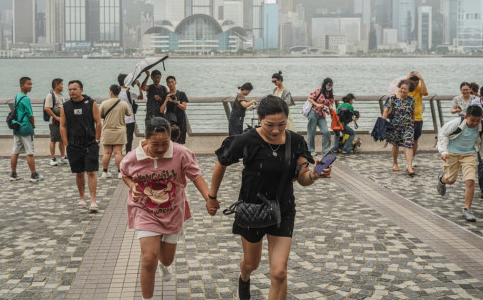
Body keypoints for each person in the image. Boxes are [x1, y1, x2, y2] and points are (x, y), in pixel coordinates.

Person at [207, 95, 331, 300]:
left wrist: (315, 175)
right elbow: (221, 162)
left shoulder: (295, 141)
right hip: (252, 209)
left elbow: (303, 177)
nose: (275, 130)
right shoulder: (247, 140)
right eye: (269, 125)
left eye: (281, 124)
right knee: (251, 263)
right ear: (259, 118)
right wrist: (212, 196)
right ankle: (244, 277)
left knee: (279, 272)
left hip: (283, 209)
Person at [120, 117, 211, 300]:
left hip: (172, 211)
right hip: (145, 210)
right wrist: (132, 186)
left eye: (165, 143)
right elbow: (124, 174)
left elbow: (196, 176)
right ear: (145, 138)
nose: (161, 149)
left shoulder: (181, 153)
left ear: (171, 138)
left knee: (167, 259)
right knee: (148, 258)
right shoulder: (132, 157)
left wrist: (209, 198)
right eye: (155, 144)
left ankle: (164, 265)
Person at [436, 105, 483, 222]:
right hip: (452, 154)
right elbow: (442, 134)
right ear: (466, 117)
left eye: (478, 120)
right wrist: (444, 151)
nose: (475, 123)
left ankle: (467, 209)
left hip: (469, 154)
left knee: (470, 180)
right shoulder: (456, 123)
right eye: (472, 120)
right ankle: (442, 179)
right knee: (450, 180)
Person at [60, 80, 102, 212]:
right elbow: (62, 125)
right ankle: (82, 197)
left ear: (81, 90)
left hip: (90, 143)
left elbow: (98, 122)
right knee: (79, 173)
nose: (72, 91)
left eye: (75, 89)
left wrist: (97, 139)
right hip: (73, 144)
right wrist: (66, 143)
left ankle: (93, 200)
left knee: (91, 172)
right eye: (70, 89)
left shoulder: (90, 103)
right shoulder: (65, 106)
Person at [9, 77, 43, 183]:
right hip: (25, 127)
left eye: (31, 84)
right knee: (30, 152)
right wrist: (34, 125)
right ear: (22, 85)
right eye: (28, 84)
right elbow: (30, 115)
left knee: (15, 151)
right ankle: (33, 175)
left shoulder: (17, 96)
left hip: (17, 126)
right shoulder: (26, 99)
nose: (30, 86)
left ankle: (13, 174)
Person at [383, 79, 416, 175]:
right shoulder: (392, 99)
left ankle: (409, 166)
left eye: (405, 89)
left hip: (408, 126)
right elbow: (385, 111)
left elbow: (412, 113)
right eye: (402, 88)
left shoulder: (411, 100)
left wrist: (413, 123)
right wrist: (382, 122)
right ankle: (395, 163)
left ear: (409, 91)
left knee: (409, 144)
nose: (403, 90)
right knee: (395, 144)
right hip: (395, 126)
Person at [100, 84, 131, 179]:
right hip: (120, 131)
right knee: (118, 152)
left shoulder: (104, 103)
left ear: (111, 92)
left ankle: (105, 172)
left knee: (107, 152)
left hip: (107, 130)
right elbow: (129, 113)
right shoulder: (123, 103)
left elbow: (100, 115)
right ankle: (120, 173)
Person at [305, 78, 335, 156]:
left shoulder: (330, 94)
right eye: (328, 85)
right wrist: (317, 104)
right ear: (325, 84)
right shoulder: (318, 90)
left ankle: (326, 149)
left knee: (326, 132)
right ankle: (311, 150)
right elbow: (310, 98)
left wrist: (331, 107)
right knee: (311, 132)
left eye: (331, 85)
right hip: (314, 112)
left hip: (322, 114)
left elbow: (330, 103)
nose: (330, 86)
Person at [118, 73, 144, 155]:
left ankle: (118, 155)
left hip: (119, 119)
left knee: (119, 140)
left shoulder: (116, 92)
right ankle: (127, 155)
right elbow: (140, 97)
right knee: (129, 140)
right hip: (129, 120)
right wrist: (139, 86)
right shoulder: (129, 93)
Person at [160, 76, 189, 144]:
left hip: (181, 120)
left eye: (172, 82)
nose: (171, 84)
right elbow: (161, 110)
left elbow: (184, 107)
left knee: (181, 142)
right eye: (169, 83)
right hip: (171, 121)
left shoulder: (181, 94)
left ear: (175, 83)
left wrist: (176, 102)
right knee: (170, 142)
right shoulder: (166, 95)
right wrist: (166, 101)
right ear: (167, 84)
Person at [44, 78, 66, 166]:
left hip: (62, 121)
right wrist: (56, 117)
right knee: (53, 139)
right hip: (54, 121)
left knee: (62, 140)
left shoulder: (61, 95)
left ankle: (63, 157)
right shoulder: (50, 95)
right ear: (57, 86)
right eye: (61, 85)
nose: (62, 86)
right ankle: (52, 158)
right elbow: (47, 108)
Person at [407, 71, 428, 162]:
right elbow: (399, 93)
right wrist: (407, 80)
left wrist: (422, 79)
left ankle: (412, 158)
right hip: (406, 118)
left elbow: (424, 92)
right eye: (413, 83)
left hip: (418, 118)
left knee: (415, 139)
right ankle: (408, 160)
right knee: (407, 140)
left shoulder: (419, 87)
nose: (415, 85)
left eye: (417, 83)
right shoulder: (405, 88)